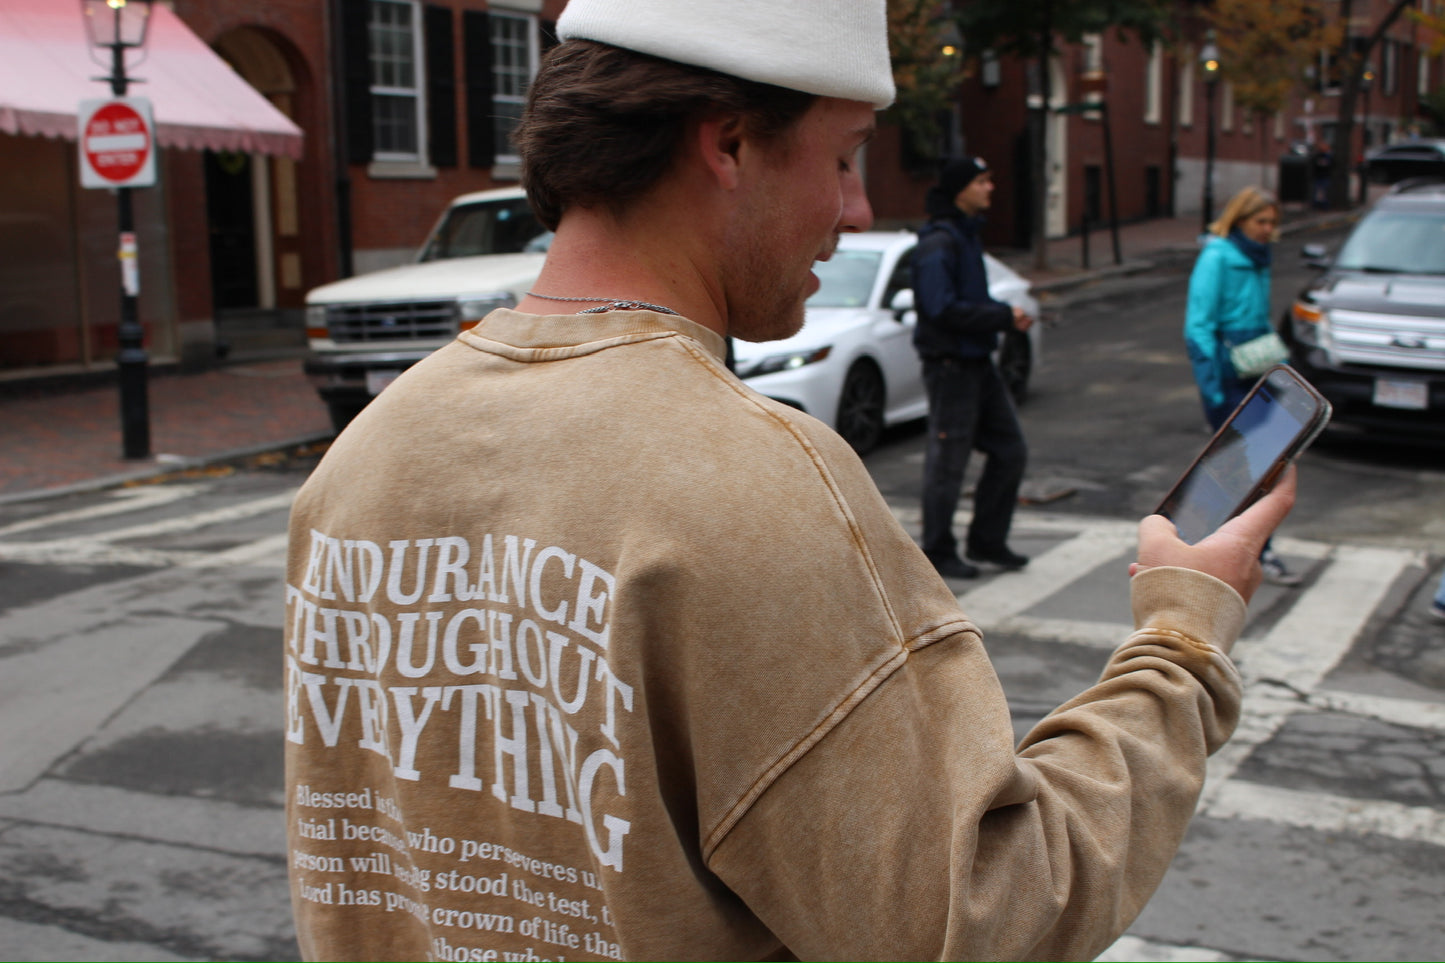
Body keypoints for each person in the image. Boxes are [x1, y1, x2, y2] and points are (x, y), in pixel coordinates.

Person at [283, 2, 1297, 960]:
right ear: (725, 143)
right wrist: (1179, 639)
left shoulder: (364, 459)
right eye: (844, 157)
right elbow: (976, 917)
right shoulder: (752, 477)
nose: (854, 211)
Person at [910, 157, 1034, 580]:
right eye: (982, 181)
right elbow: (939, 308)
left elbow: (963, 301)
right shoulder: (939, 243)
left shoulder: (964, 236)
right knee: (949, 461)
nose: (990, 188)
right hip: (950, 366)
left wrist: (1002, 315)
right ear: (960, 188)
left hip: (977, 362)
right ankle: (937, 549)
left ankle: (986, 539)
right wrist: (1001, 317)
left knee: (1010, 450)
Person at [1184, 185, 1300, 587]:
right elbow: (1198, 326)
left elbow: (1260, 318)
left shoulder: (1257, 256)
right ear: (1240, 219)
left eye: (1272, 222)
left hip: (1260, 371)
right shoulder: (1217, 256)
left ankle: (1249, 551)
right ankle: (1234, 553)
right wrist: (1212, 387)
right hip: (1227, 376)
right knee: (1240, 467)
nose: (1268, 229)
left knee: (1264, 464)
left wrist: (1279, 367)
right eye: (1260, 221)